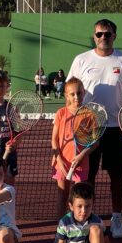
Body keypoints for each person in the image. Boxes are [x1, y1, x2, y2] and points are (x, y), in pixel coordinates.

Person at [67, 18, 122, 239]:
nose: (103, 38)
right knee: (87, 176)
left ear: (114, 36)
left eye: (107, 34)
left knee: (117, 175)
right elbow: (70, 92)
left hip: (116, 127)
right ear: (94, 36)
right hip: (89, 128)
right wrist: (70, 123)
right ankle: (87, 218)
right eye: (99, 34)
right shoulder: (81, 60)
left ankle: (116, 218)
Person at [50, 76, 93, 218]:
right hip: (62, 163)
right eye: (72, 94)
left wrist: (82, 155)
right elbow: (54, 141)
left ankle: (78, 227)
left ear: (84, 92)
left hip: (80, 164)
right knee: (62, 195)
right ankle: (61, 226)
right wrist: (59, 160)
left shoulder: (89, 114)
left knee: (80, 199)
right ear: (66, 95)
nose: (76, 97)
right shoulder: (61, 113)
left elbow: (95, 142)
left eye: (79, 93)